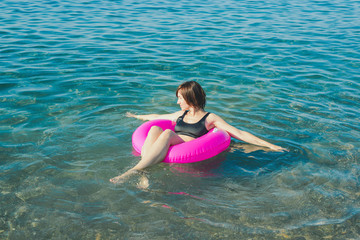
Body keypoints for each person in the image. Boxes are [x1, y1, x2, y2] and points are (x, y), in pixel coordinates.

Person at [110, 81, 286, 183]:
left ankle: (132, 171)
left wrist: (270, 145)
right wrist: (137, 116)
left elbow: (238, 133)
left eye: (180, 98)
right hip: (173, 142)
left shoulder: (210, 118)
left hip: (188, 145)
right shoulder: (181, 114)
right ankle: (144, 170)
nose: (178, 102)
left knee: (167, 134)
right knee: (156, 128)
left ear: (190, 98)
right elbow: (157, 117)